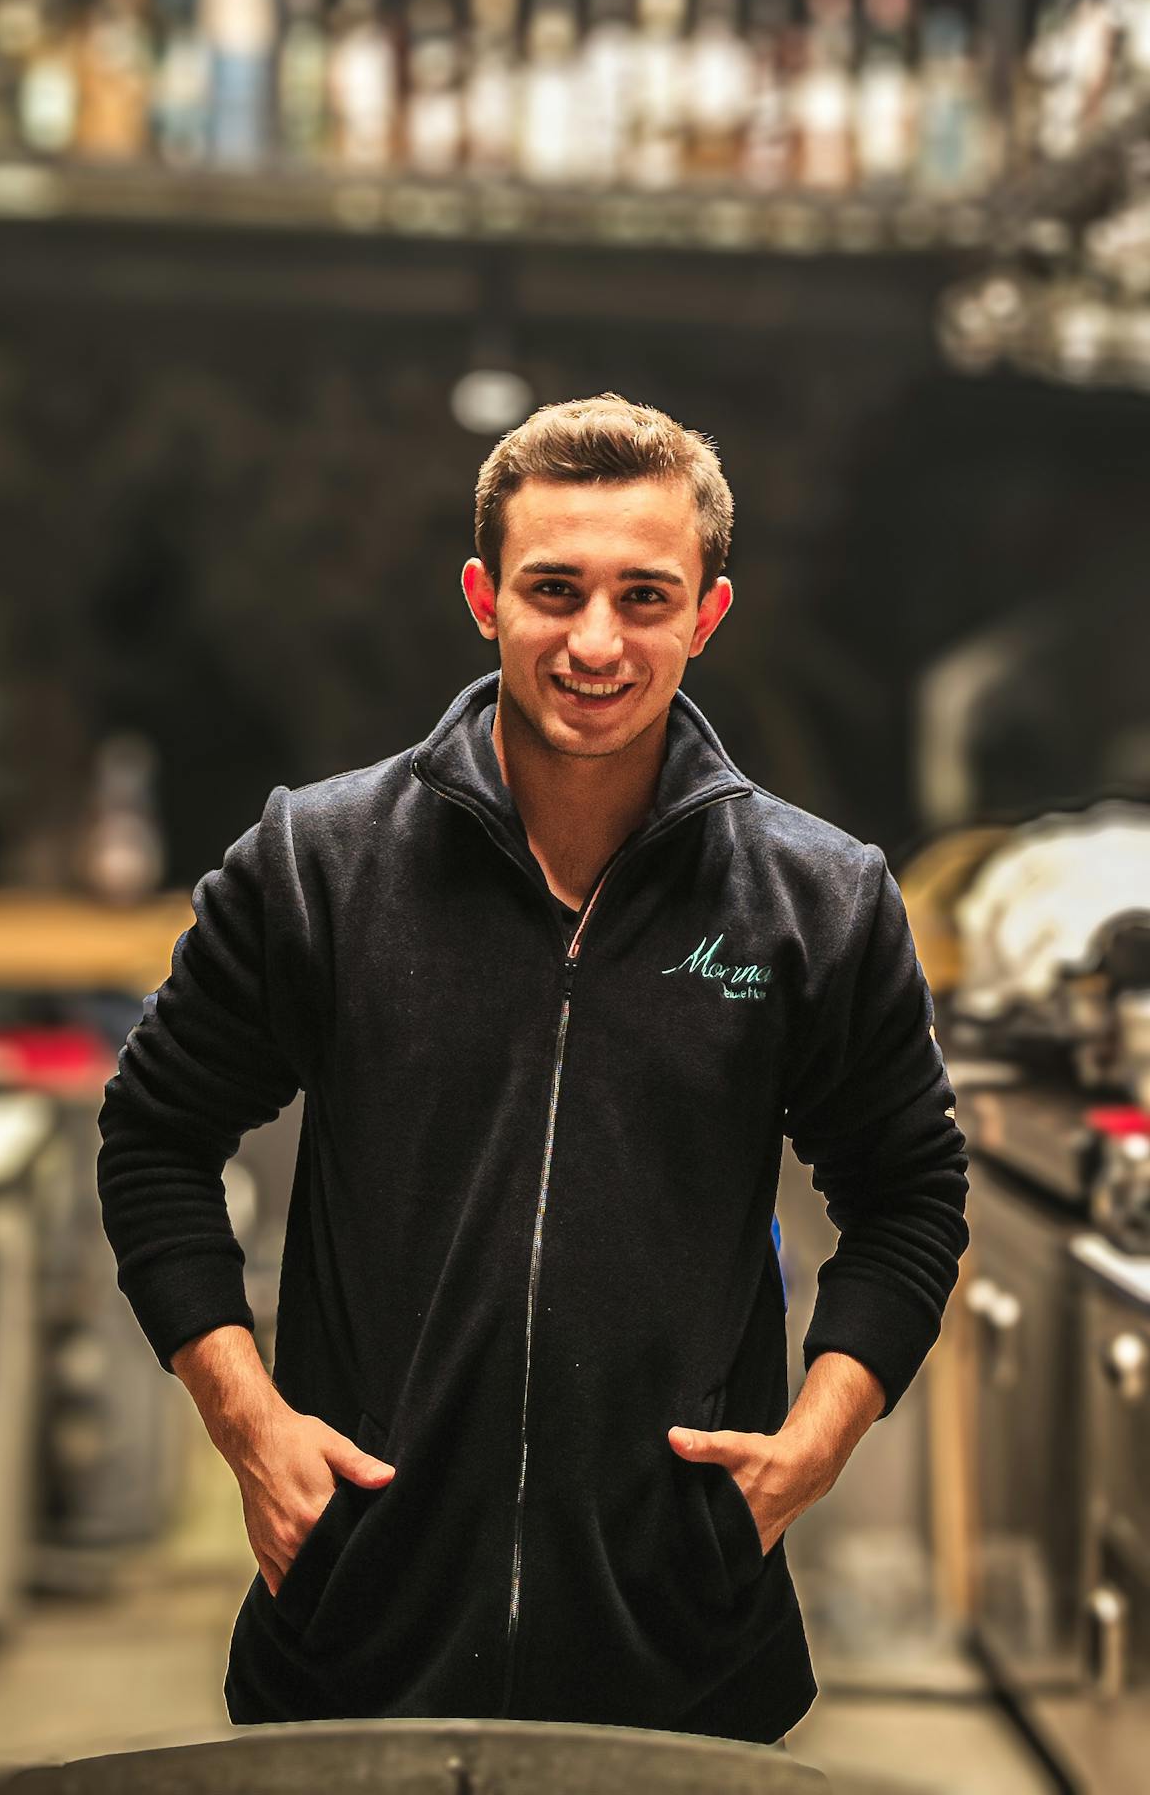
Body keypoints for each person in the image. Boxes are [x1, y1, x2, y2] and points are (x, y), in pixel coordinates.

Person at [96, 391, 969, 1749]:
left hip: (679, 1649)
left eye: (644, 596)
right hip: (355, 1632)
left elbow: (910, 1193)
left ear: (706, 615)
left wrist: (814, 1445)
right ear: (485, 599)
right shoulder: (319, 866)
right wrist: (248, 1420)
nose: (596, 642)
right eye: (554, 590)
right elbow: (154, 1137)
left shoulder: (816, 900)